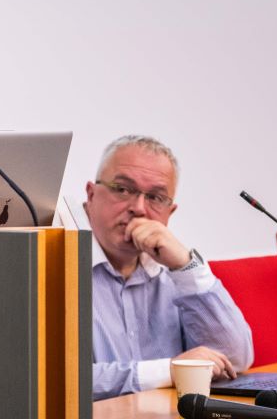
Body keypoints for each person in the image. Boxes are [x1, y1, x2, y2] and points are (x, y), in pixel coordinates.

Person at [85, 135, 253, 400]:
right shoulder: (51, 265)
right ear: (91, 194)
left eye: (155, 197)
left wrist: (187, 266)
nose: (138, 208)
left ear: (169, 212)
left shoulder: (174, 272)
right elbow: (50, 379)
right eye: (123, 189)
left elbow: (235, 358)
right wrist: (170, 370)